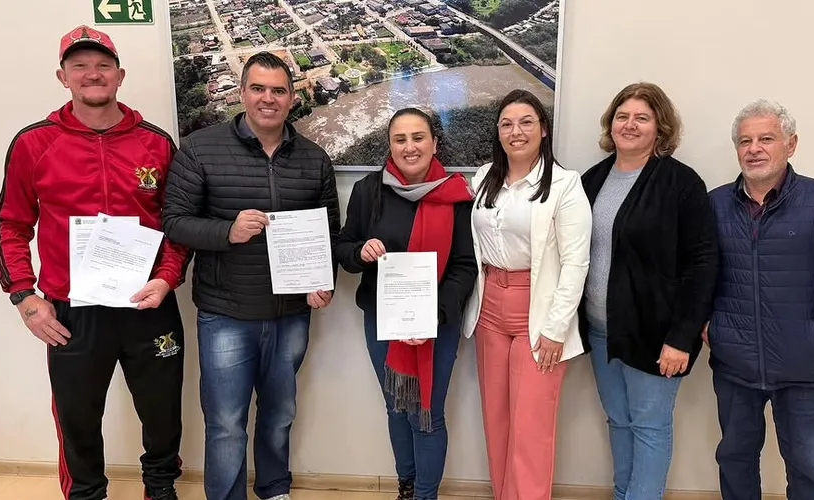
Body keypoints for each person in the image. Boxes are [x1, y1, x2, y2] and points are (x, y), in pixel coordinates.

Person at [0, 25, 189, 500]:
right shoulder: (33, 143)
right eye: (79, 65)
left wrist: (165, 280)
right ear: (62, 76)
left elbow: (178, 226)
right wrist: (24, 296)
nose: (92, 74)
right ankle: (86, 494)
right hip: (71, 312)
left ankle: (160, 489)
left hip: (148, 305)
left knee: (162, 412)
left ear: (120, 74)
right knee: (77, 417)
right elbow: (10, 224)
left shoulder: (156, 144)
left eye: (102, 65)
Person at [161, 51, 340, 500]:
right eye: (258, 88)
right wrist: (228, 231)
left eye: (278, 90)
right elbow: (174, 221)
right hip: (226, 313)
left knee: (280, 412)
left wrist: (324, 279)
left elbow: (328, 231)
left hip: (291, 313)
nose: (268, 99)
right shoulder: (200, 148)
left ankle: (275, 488)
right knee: (225, 422)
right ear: (242, 93)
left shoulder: (314, 159)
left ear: (292, 98)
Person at [706, 99, 814, 500]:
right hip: (735, 367)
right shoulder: (714, 205)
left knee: (808, 468)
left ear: (791, 144)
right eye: (745, 140)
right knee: (734, 459)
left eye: (766, 138)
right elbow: (695, 276)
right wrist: (709, 327)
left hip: (807, 372)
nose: (754, 148)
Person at [577, 82, 719, 499]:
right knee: (619, 421)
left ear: (660, 127)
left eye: (642, 117)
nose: (630, 124)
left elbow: (703, 263)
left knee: (650, 427)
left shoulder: (681, 183)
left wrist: (681, 337)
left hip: (656, 335)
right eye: (622, 116)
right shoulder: (593, 179)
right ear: (611, 123)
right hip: (602, 331)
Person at [335, 107, 477, 500]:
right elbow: (343, 248)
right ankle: (407, 486)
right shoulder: (368, 190)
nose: (409, 147)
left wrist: (433, 316)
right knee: (397, 407)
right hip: (382, 321)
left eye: (418, 137)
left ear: (433, 142)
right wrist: (360, 251)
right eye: (400, 139)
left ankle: (425, 496)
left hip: (436, 322)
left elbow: (465, 267)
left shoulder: (456, 195)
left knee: (426, 415)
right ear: (390, 146)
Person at [461, 89, 592, 500]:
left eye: (526, 122)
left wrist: (556, 329)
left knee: (530, 430)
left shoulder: (566, 185)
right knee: (497, 422)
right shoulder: (483, 178)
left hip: (538, 313)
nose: (515, 131)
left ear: (544, 129)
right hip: (489, 311)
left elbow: (576, 263)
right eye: (506, 123)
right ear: (497, 132)